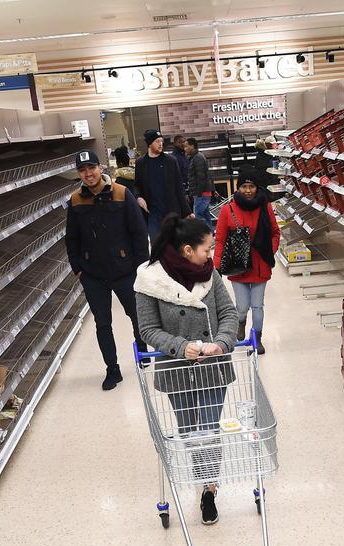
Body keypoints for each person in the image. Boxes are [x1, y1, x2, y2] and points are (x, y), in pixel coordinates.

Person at [135, 214, 239, 525]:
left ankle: (208, 489)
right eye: (206, 249)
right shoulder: (150, 281)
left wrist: (220, 343)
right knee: (187, 430)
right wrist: (180, 347)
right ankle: (201, 474)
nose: (211, 254)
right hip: (176, 370)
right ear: (186, 250)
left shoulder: (210, 275)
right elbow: (148, 330)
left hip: (213, 368)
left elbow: (229, 313)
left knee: (207, 429)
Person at [65, 149, 149, 391]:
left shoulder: (122, 193)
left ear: (100, 168)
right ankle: (112, 368)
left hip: (125, 270)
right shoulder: (75, 200)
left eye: (91, 168)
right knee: (103, 323)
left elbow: (138, 232)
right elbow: (72, 238)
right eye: (82, 170)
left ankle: (142, 351)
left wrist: (141, 267)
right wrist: (78, 269)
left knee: (136, 315)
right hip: (93, 275)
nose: (88, 174)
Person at [213, 166, 280, 356]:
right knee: (242, 306)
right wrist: (216, 265)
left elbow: (275, 232)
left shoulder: (265, 207)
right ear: (238, 187)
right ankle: (241, 322)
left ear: (257, 187)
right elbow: (220, 239)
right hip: (238, 266)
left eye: (251, 186)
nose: (248, 190)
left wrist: (270, 250)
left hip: (261, 265)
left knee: (257, 305)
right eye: (244, 186)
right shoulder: (228, 210)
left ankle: (257, 338)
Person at [134, 129, 190, 240]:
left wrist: (187, 211)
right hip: (152, 214)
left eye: (161, 141)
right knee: (156, 246)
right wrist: (138, 197)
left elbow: (179, 187)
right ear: (149, 144)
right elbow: (136, 184)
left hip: (171, 212)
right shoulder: (141, 163)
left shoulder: (171, 161)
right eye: (157, 141)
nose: (160, 144)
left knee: (175, 246)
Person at [185, 138, 215, 231]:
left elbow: (200, 177)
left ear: (192, 146)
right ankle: (210, 233)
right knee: (205, 215)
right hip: (202, 192)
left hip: (201, 193)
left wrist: (198, 193)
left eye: (186, 146)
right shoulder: (196, 157)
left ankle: (201, 236)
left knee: (198, 216)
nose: (185, 149)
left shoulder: (197, 158)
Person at [170, 134, 190, 203]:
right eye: (180, 142)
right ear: (175, 143)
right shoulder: (174, 158)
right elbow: (177, 177)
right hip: (180, 193)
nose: (183, 143)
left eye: (184, 141)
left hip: (188, 190)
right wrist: (184, 193)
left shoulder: (184, 156)